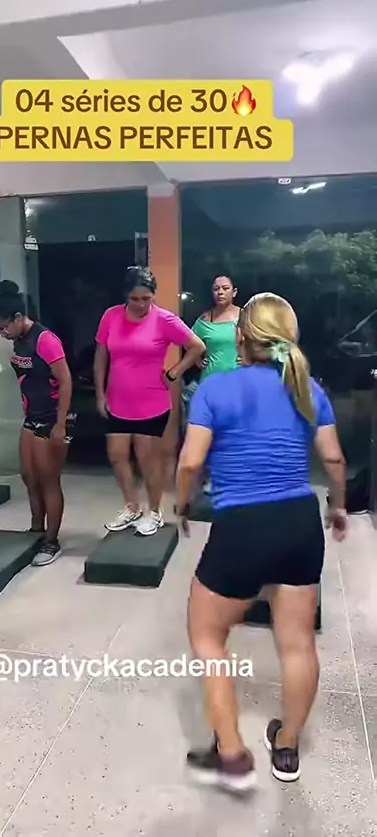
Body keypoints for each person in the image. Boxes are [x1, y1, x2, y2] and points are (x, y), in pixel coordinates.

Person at [175, 292, 347, 791]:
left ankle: (231, 754)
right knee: (297, 643)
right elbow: (334, 460)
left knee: (208, 636)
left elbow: (190, 462)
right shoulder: (307, 388)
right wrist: (337, 506)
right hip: (299, 523)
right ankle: (287, 746)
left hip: (243, 527)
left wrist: (182, 504)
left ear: (241, 339)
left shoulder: (216, 388)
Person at [94, 266, 205, 536]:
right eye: (135, 299)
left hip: (151, 403)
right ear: (126, 296)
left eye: (146, 298)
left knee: (148, 461)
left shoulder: (164, 320)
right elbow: (101, 357)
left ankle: (154, 512)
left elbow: (197, 346)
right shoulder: (111, 316)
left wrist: (175, 372)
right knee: (117, 456)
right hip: (117, 400)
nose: (141, 304)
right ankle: (132, 506)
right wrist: (100, 393)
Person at [0, 281, 73, 566]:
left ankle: (51, 541)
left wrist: (61, 424)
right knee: (28, 476)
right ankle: (37, 530)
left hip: (52, 417)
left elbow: (65, 381)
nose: (2, 334)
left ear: (17, 317)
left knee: (49, 480)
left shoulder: (45, 339)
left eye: (3, 328)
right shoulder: (18, 340)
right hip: (32, 416)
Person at [182, 275, 240, 428]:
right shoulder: (205, 319)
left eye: (225, 288)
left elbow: (259, 344)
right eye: (216, 289)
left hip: (238, 383)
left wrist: (249, 359)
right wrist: (197, 360)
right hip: (210, 382)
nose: (220, 292)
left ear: (234, 292)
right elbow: (187, 343)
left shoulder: (245, 317)